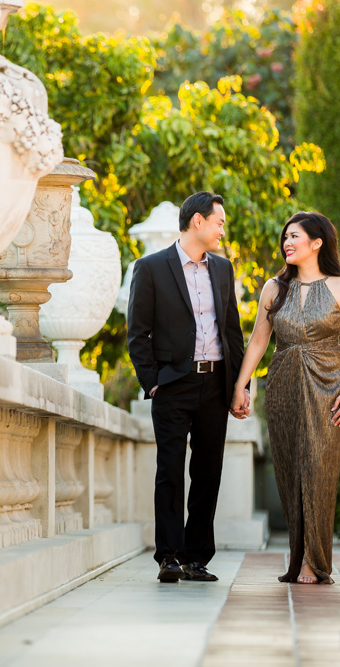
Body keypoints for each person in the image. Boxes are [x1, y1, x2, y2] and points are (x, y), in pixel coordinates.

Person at [231, 211, 340, 584]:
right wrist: (242, 386)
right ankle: (298, 552)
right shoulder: (274, 288)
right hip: (283, 382)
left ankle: (313, 560)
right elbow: (259, 340)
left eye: (295, 236)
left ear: (317, 242)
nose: (287, 243)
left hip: (329, 382)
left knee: (318, 467)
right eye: (285, 237)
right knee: (290, 469)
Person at [127, 191, 248, 583]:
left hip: (215, 383)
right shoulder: (150, 268)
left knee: (208, 471)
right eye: (219, 222)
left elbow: (232, 333)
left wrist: (238, 386)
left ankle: (197, 558)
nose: (222, 229)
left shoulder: (224, 269)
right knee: (170, 470)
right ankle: (170, 556)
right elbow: (137, 334)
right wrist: (154, 383)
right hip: (173, 385)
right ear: (198, 221)